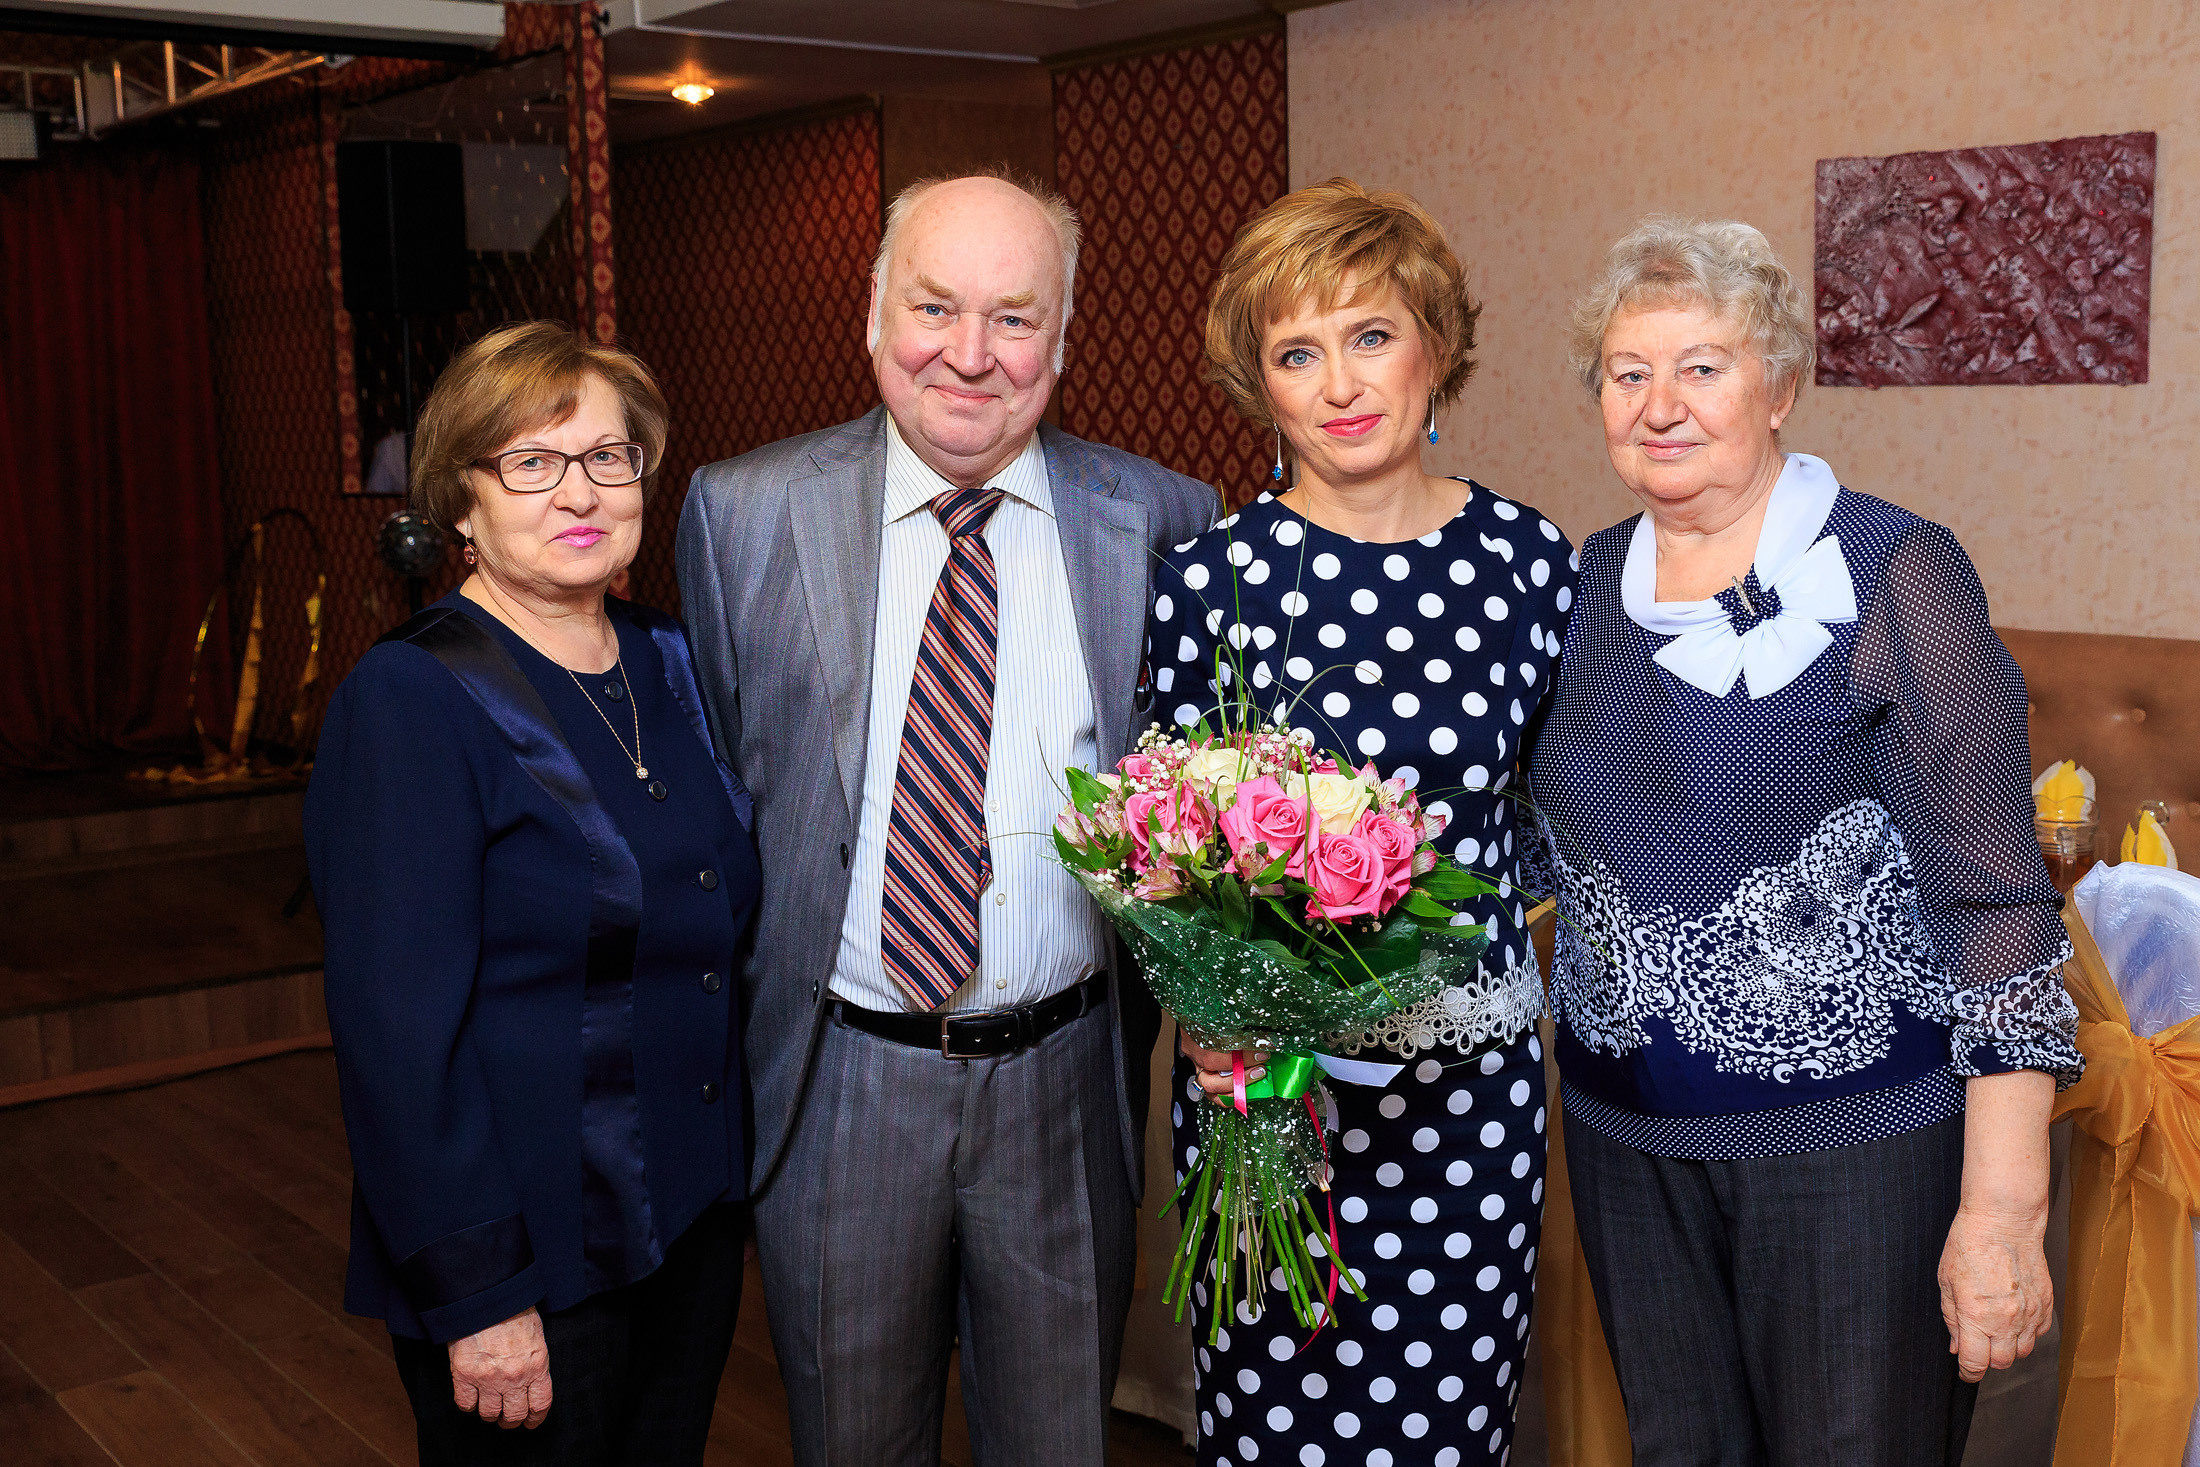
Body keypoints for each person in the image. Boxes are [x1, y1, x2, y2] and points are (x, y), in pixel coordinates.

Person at [675, 168, 1216, 1466]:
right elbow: (716, 827)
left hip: (1065, 1086)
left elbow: (1194, 822)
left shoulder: (1161, 521)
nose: (970, 353)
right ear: (874, 314)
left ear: (1064, 336)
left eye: (1015, 316)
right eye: (935, 305)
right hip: (837, 1087)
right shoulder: (743, 515)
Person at [1526, 217, 2081, 1464]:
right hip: (1625, 1150)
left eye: (1702, 367)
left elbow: (1995, 901)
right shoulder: (1580, 579)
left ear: (1779, 387)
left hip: (1856, 1158)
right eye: (1627, 374)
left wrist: (2000, 1214)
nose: (1659, 405)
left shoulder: (1895, 570)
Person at [1156, 177, 1577, 1466]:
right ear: (1259, 383)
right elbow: (1168, 848)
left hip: (1468, 1102)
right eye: (1297, 351)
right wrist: (1210, 1018)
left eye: (1371, 336)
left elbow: (1562, 818)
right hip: (1271, 1106)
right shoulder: (1210, 578)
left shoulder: (1531, 563)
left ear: (1436, 351)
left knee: (1449, 1432)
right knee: (1273, 1426)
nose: (1338, 383)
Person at [306, 322, 760, 1466]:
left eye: (610, 457)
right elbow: (397, 1039)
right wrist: (478, 1295)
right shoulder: (408, 699)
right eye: (531, 462)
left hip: (689, 1224)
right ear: (463, 500)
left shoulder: (665, 657)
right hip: (531, 1255)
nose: (581, 491)